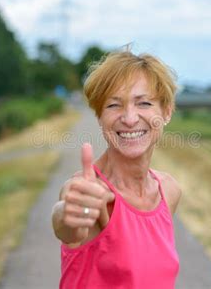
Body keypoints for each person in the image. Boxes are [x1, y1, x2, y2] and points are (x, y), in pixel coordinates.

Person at [51, 49, 182, 289]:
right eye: (114, 105)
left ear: (166, 111)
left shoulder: (169, 191)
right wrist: (67, 215)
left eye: (144, 103)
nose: (130, 118)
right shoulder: (89, 192)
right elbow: (68, 226)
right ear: (100, 116)